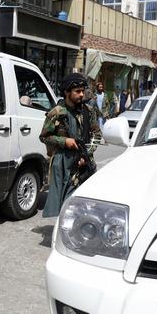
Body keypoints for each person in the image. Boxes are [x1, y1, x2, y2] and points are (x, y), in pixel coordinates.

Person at [39, 73, 102, 218]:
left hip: (84, 164)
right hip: (64, 165)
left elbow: (97, 135)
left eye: (82, 91)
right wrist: (64, 141)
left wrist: (88, 153)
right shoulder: (57, 113)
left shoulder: (89, 111)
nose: (81, 94)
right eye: (77, 91)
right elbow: (44, 137)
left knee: (85, 204)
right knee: (65, 205)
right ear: (67, 92)